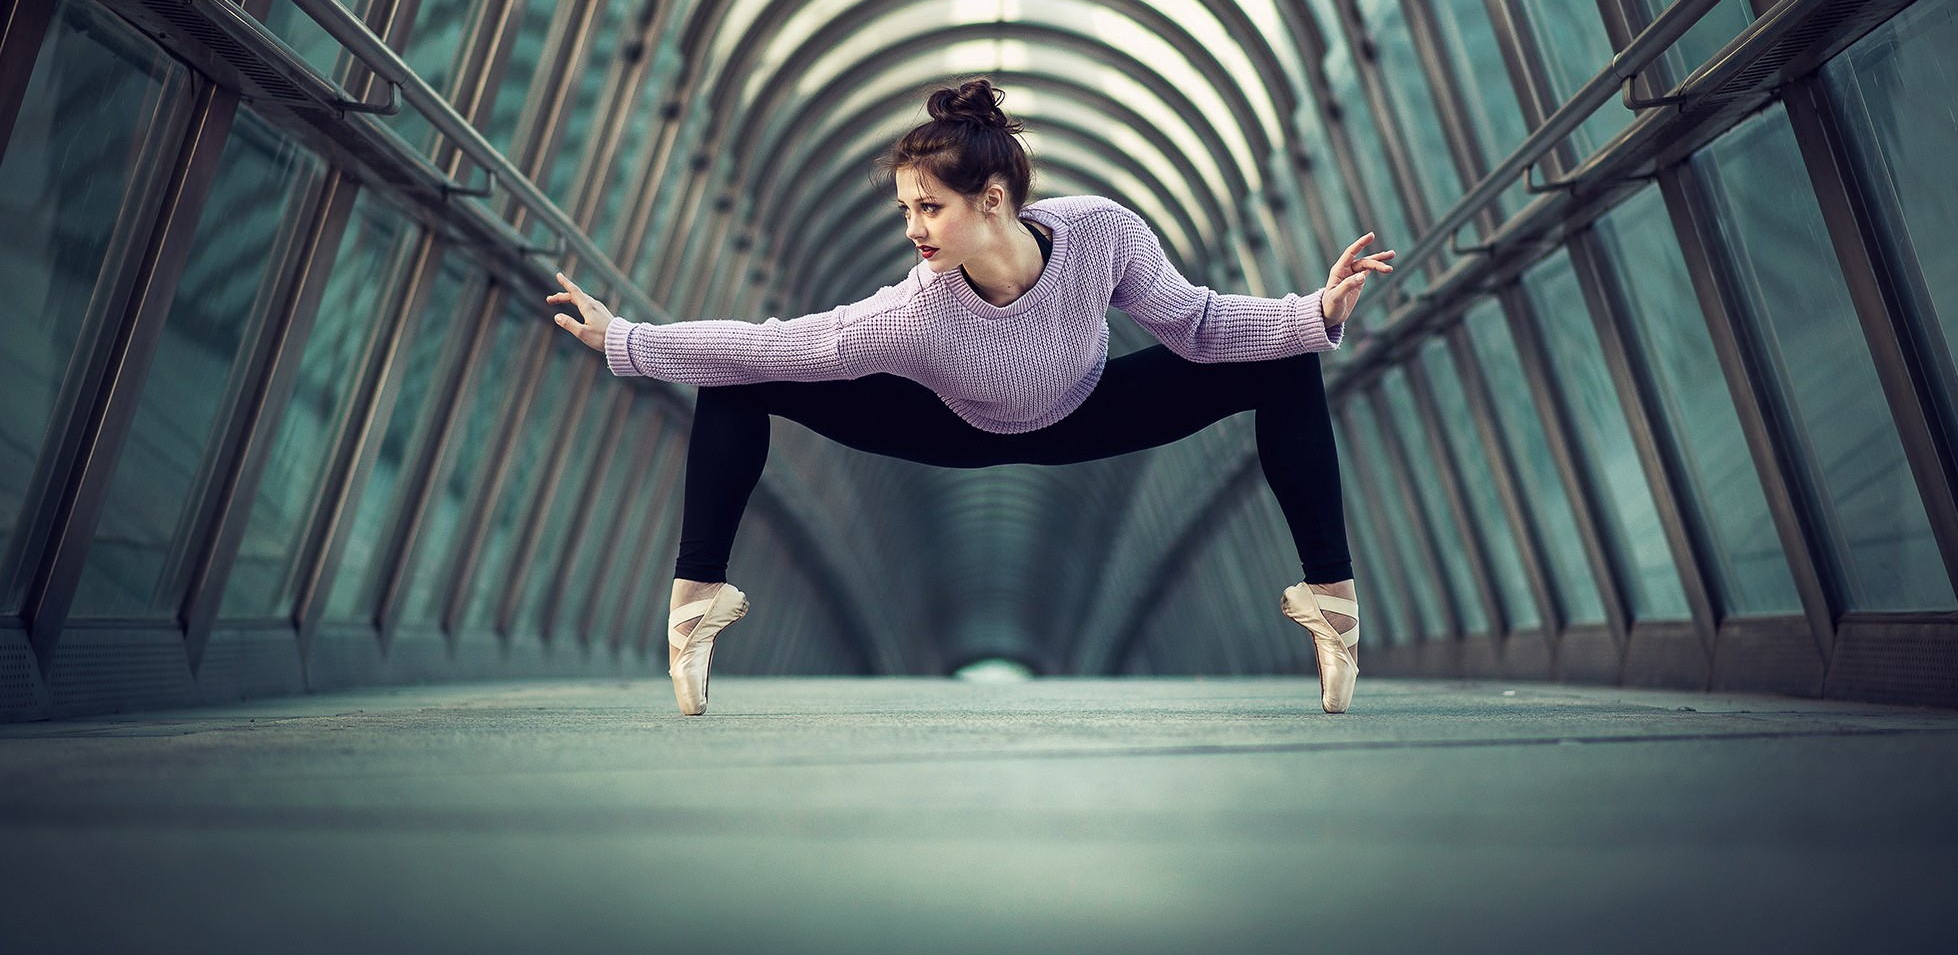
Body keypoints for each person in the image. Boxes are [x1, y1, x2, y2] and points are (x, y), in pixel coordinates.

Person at [548, 79, 1393, 715]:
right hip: (945, 426)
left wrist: (1316, 311)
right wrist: (626, 339)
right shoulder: (914, 307)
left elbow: (1199, 326)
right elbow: (780, 342)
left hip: (1090, 408)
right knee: (745, 374)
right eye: (906, 208)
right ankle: (695, 604)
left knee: (1289, 353)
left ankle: (1332, 603)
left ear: (992, 201)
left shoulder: (1103, 233)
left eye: (929, 207)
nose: (913, 228)